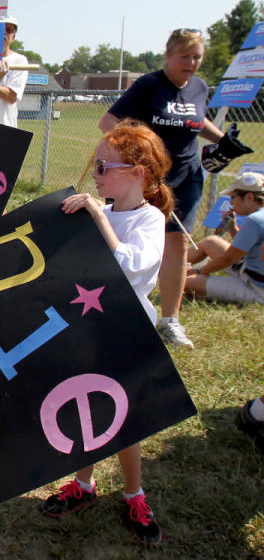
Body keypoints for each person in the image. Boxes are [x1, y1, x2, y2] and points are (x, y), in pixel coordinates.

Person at [43, 120, 174, 547]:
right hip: (88, 330)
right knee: (87, 409)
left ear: (137, 173)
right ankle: (83, 484)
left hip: (125, 332)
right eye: (95, 166)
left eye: (103, 166)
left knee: (123, 421)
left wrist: (98, 216)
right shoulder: (100, 214)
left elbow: (132, 264)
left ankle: (134, 493)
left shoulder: (149, 219)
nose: (95, 174)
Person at [100, 28, 248, 349]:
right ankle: (114, 308)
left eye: (197, 57)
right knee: (126, 242)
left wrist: (221, 139)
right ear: (168, 55)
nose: (191, 62)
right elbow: (109, 122)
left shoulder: (199, 87)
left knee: (177, 244)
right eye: (184, 56)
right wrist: (139, 155)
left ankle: (170, 320)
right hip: (147, 179)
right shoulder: (149, 85)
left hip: (186, 176)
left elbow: (195, 120)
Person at [184, 171, 264, 303]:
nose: (231, 203)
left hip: (256, 288)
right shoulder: (259, 217)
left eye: (233, 197)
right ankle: (168, 265)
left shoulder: (254, 220)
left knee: (184, 282)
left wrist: (198, 271)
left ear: (249, 197)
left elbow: (229, 259)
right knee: (212, 242)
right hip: (250, 271)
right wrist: (232, 228)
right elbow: (245, 250)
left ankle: (171, 270)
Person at [0, 16, 28, 128]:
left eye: (9, 30)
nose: (4, 33)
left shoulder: (19, 60)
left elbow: (12, 96)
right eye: (0, 29)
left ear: (13, 36)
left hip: (5, 126)